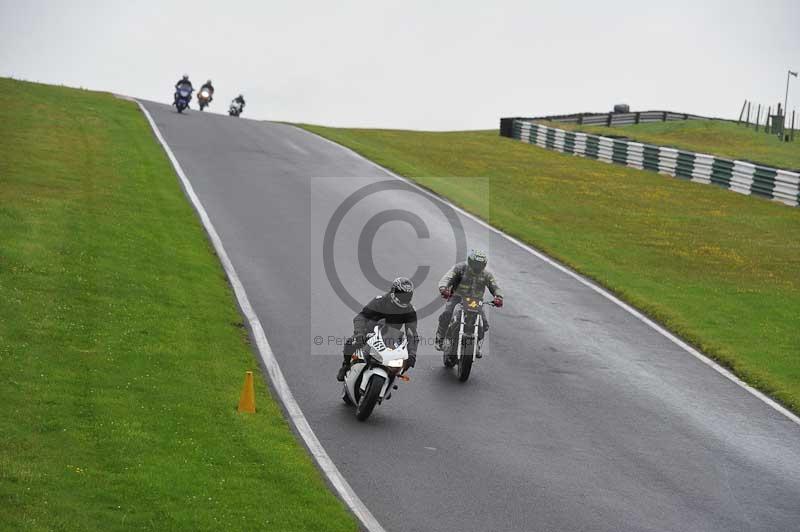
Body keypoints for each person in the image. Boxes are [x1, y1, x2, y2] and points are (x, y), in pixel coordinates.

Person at [337, 277, 419, 381]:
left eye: (407, 295)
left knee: (402, 361)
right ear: (393, 292)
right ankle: (346, 365)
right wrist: (359, 334)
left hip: (392, 337)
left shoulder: (410, 311)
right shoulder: (380, 301)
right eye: (401, 294)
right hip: (371, 332)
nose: (404, 298)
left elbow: (412, 334)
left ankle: (389, 380)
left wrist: (412, 354)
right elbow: (361, 317)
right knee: (351, 342)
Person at [435, 249, 503, 353]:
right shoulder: (460, 268)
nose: (477, 267)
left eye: (480, 265)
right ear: (470, 261)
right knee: (447, 313)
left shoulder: (486, 275)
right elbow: (447, 278)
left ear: (484, 265)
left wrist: (498, 297)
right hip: (457, 298)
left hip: (476, 301)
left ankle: (476, 344)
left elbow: (495, 286)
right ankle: (440, 338)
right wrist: (444, 288)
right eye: (476, 264)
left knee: (484, 324)